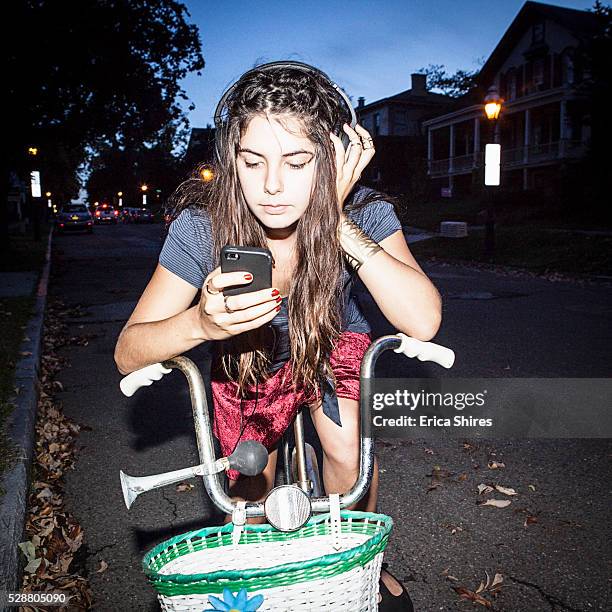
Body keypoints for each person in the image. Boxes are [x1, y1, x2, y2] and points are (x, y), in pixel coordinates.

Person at [114, 62, 441, 611]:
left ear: (334, 159)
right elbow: (128, 351)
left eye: (297, 161)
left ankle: (359, 560)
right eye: (252, 161)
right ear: (230, 160)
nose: (272, 186)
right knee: (248, 482)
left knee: (345, 445)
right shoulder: (203, 227)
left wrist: (334, 217)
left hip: (331, 343)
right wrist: (199, 324)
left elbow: (423, 319)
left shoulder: (361, 212)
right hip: (249, 361)